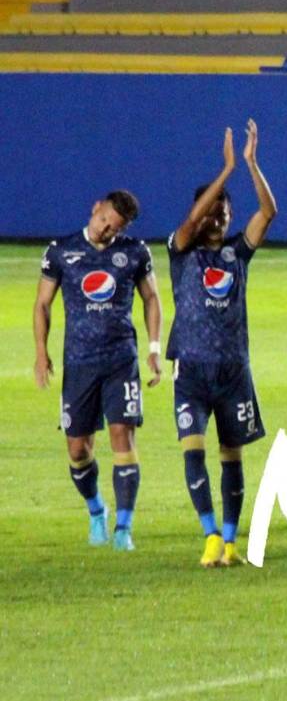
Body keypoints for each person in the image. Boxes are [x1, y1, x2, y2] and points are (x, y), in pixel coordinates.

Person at [167, 122, 276, 567]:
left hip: (233, 371)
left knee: (232, 455)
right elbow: (192, 222)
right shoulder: (181, 250)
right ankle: (209, 533)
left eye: (224, 211)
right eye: (212, 209)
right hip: (190, 370)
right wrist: (226, 170)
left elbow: (268, 212)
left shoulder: (237, 254)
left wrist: (250, 165)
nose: (218, 216)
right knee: (193, 449)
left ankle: (230, 541)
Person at [34, 189, 162, 552]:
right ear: (95, 209)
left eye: (114, 227)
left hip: (121, 359)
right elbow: (42, 304)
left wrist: (153, 348)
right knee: (78, 449)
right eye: (104, 220)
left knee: (123, 435)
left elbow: (152, 297)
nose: (106, 229)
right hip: (79, 363)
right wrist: (41, 352)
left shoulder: (134, 253)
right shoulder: (61, 251)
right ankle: (96, 511)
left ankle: (124, 527)